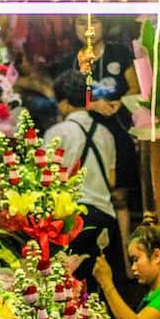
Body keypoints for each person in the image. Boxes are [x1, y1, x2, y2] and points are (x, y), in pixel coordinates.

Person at [57, 16, 142, 275]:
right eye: (81, 23)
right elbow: (63, 103)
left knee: (120, 197)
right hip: (85, 133)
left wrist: (118, 103)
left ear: (104, 25)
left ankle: (127, 263)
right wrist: (92, 105)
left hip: (117, 131)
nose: (88, 29)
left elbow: (136, 89)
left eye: (94, 23)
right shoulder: (70, 62)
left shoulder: (120, 54)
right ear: (74, 28)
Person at [43, 69, 125, 291]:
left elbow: (45, 180)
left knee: (68, 289)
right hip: (104, 218)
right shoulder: (106, 134)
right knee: (100, 288)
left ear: (64, 102)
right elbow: (112, 180)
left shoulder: (57, 133)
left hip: (70, 221)